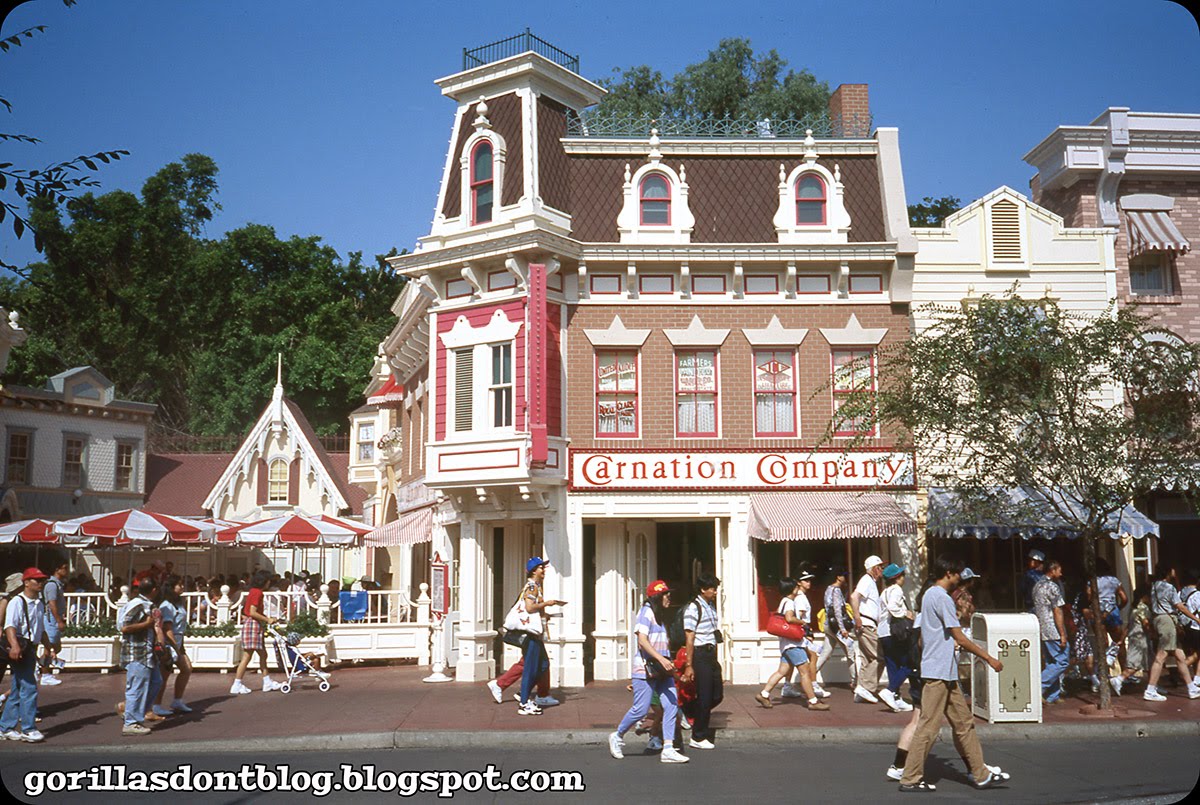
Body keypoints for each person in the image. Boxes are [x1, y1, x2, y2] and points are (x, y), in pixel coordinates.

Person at [898, 555, 1010, 792]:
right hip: (939, 672)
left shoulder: (928, 595)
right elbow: (959, 636)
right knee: (928, 726)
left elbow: (924, 639)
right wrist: (989, 658)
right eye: (959, 573)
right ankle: (910, 778)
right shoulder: (942, 598)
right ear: (949, 573)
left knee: (964, 723)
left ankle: (980, 774)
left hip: (944, 672)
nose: (961, 578)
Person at [608, 580, 689, 764]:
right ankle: (617, 735)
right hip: (645, 668)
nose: (669, 598)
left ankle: (668, 748)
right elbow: (642, 640)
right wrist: (661, 659)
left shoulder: (660, 617)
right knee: (640, 709)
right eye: (666, 595)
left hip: (663, 669)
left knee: (671, 705)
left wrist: (667, 662)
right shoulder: (646, 612)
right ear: (658, 597)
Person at [756, 574, 829, 711]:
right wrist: (803, 623)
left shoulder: (783, 601)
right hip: (793, 644)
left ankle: (764, 694)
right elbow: (789, 619)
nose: (797, 588)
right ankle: (813, 701)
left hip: (786, 644)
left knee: (782, 671)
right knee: (805, 672)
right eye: (796, 586)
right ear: (791, 588)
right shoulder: (789, 602)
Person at [0, 568, 48, 742]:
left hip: (30, 648)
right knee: (29, 687)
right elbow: (10, 626)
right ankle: (28, 728)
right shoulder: (17, 602)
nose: (40, 583)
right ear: (26, 582)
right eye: (36, 580)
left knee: (18, 689)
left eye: (41, 580)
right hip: (21, 648)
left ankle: (5, 727)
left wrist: (48, 646)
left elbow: (40, 628)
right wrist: (14, 646)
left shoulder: (39, 603)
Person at [513, 558, 565, 716]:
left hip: (536, 634)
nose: (544, 570)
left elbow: (534, 609)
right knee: (531, 668)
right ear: (534, 570)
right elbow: (529, 608)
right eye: (541, 567)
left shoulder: (537, 587)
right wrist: (547, 604)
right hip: (531, 635)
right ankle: (523, 702)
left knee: (543, 665)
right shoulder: (532, 587)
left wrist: (546, 614)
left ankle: (531, 695)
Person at [1144, 564, 1200, 701]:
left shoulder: (1154, 586)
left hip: (1159, 619)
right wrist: (1196, 619)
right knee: (1161, 655)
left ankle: (1191, 687)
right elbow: (1179, 606)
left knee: (1180, 656)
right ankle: (1150, 689)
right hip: (1167, 620)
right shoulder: (1169, 587)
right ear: (1168, 572)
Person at [682, 572, 724, 750]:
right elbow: (689, 637)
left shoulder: (711, 606)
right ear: (702, 589)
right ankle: (698, 737)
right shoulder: (693, 608)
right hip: (700, 655)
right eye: (712, 588)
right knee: (705, 696)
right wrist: (689, 665)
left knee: (717, 694)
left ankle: (688, 711)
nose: (715, 592)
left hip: (711, 653)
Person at [118, 577, 162, 737]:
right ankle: (131, 722)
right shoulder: (138, 605)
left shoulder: (146, 605)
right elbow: (124, 627)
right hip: (136, 652)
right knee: (137, 687)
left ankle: (133, 711)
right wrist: (147, 624)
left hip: (147, 652)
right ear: (154, 590)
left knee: (156, 682)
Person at [230, 571, 281, 695]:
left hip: (254, 624)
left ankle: (266, 681)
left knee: (263, 654)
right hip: (253, 625)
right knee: (247, 656)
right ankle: (237, 683)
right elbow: (252, 612)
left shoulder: (254, 591)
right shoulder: (257, 593)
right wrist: (267, 619)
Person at [152, 575, 193, 714]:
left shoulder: (179, 603)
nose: (182, 587)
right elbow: (167, 629)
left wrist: (180, 646)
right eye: (179, 584)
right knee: (164, 674)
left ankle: (177, 700)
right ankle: (156, 704)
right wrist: (175, 647)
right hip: (169, 643)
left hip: (178, 641)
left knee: (186, 669)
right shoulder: (166, 606)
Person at [1032, 559, 1069, 704]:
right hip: (1052, 627)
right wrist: (1062, 634)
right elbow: (1057, 610)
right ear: (1052, 570)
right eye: (1059, 570)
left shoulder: (1037, 585)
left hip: (1041, 626)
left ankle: (1053, 695)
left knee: (1050, 661)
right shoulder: (1052, 587)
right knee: (1062, 660)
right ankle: (1038, 687)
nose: (1061, 573)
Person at [879, 563, 914, 712]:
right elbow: (893, 607)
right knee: (909, 663)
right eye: (901, 575)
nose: (904, 578)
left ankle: (895, 697)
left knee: (892, 664)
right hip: (894, 632)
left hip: (883, 632)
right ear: (897, 578)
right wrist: (905, 613)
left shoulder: (884, 592)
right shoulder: (897, 590)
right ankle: (890, 690)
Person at [850, 555, 885, 703]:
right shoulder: (866, 581)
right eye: (880, 567)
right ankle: (867, 688)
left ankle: (862, 688)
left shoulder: (870, 582)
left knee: (867, 658)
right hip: (867, 624)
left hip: (867, 623)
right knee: (879, 656)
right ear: (874, 568)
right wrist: (857, 617)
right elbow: (854, 597)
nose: (882, 570)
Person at [816, 566, 857, 692]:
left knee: (826, 652)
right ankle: (855, 682)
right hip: (836, 627)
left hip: (828, 624)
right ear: (838, 577)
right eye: (843, 575)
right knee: (850, 652)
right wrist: (842, 628)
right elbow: (838, 610)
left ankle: (809, 676)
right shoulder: (837, 591)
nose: (845, 578)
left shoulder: (828, 589)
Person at [1095, 559, 1128, 672]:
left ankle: (1103, 672)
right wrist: (1118, 607)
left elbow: (1089, 596)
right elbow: (1124, 598)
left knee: (1102, 643)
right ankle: (1124, 671)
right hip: (1113, 612)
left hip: (1098, 613)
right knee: (1119, 642)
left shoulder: (1093, 581)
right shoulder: (1114, 581)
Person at [40, 560, 68, 687]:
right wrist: (58, 621)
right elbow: (52, 604)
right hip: (51, 619)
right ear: (57, 569)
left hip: (55, 618)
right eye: (64, 568)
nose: (66, 571)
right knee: (48, 647)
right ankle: (45, 674)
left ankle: (40, 665)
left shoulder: (58, 584)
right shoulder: (52, 585)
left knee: (56, 647)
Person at [1124, 585, 1152, 684]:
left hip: (1134, 636)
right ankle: (1119, 679)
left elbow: (1128, 625)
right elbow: (1145, 623)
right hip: (1141, 638)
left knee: (1149, 662)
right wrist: (1152, 632)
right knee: (1135, 664)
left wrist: (1122, 638)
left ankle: (1153, 684)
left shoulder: (1132, 608)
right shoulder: (1143, 607)